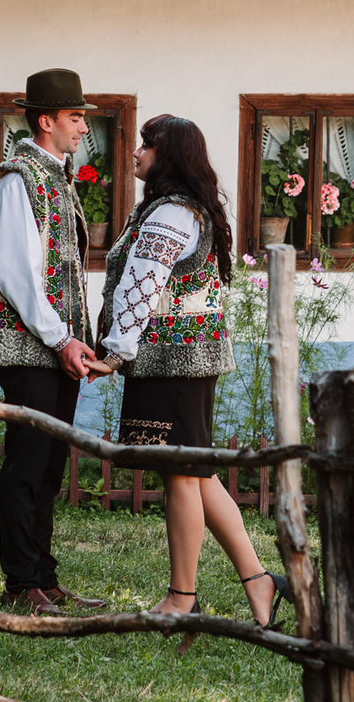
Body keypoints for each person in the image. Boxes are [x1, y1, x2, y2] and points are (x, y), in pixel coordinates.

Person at [99, 114, 290, 625]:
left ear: (171, 157)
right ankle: (259, 581)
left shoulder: (170, 214)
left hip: (171, 360)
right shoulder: (183, 210)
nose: (137, 153)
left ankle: (182, 597)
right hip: (186, 358)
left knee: (182, 476)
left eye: (147, 145)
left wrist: (115, 350)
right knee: (197, 473)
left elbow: (142, 284)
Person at [0, 67, 111, 615]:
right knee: (27, 460)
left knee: (50, 461)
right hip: (31, 347)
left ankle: (42, 573)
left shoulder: (56, 176)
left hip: (56, 346)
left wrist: (72, 340)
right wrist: (61, 338)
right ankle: (21, 581)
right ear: (46, 121)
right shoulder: (17, 178)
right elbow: (18, 273)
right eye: (74, 118)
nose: (82, 129)